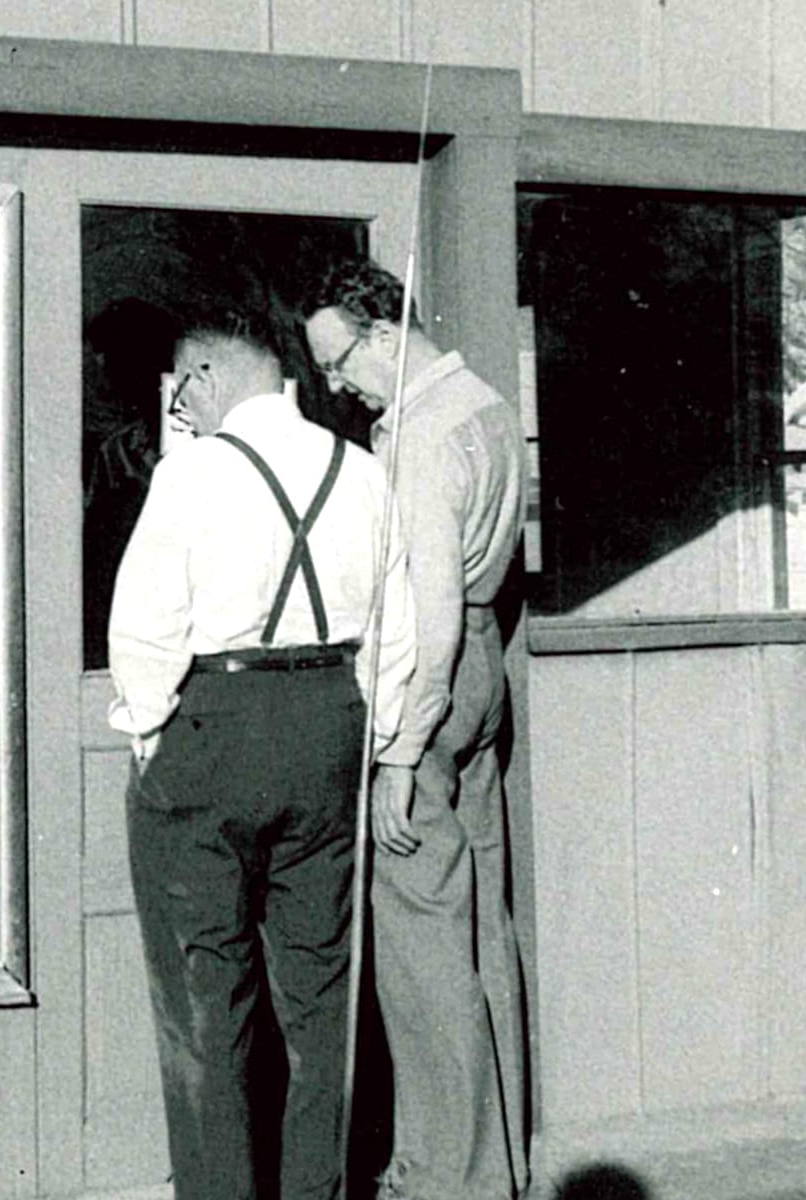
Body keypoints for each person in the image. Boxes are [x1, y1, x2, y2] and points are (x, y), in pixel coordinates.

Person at [108, 307, 417, 1200]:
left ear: (204, 376)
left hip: (213, 724)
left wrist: (149, 730)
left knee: (205, 999)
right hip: (330, 723)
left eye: (183, 393)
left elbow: (146, 626)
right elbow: (395, 631)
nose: (184, 410)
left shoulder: (191, 472)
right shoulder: (361, 471)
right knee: (322, 999)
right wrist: (373, 740)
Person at [303, 259, 529, 1200]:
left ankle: (444, 1175)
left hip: (430, 679)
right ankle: (499, 1161)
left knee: (421, 942)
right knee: (480, 926)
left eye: (340, 361)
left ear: (387, 333)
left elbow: (430, 612)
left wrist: (399, 749)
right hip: (485, 664)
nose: (336, 385)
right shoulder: (488, 405)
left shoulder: (421, 434)